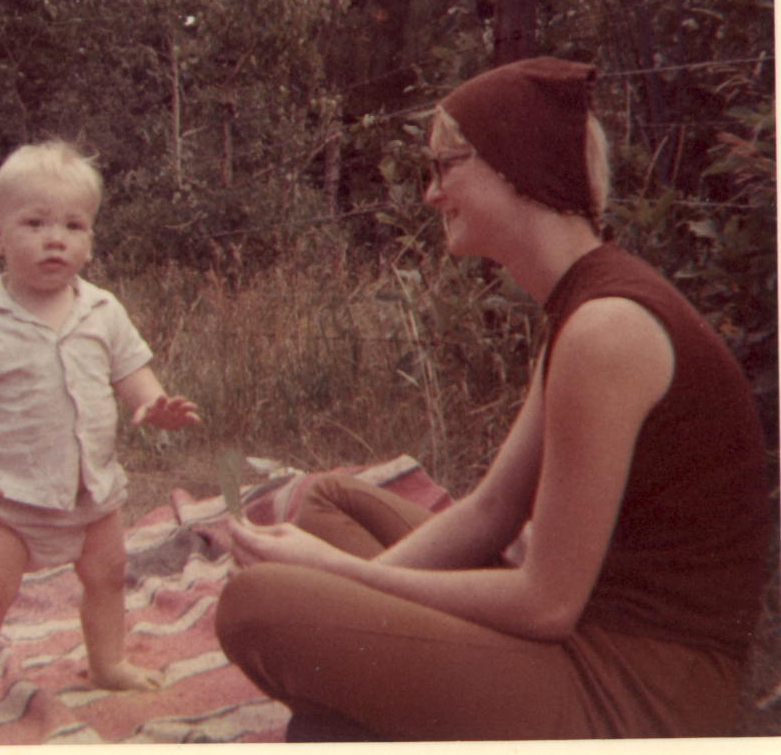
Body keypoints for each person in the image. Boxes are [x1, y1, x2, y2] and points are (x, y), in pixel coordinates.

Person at [215, 57, 771, 741]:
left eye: (444, 166)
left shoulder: (607, 329)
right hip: (582, 639)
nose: (430, 194)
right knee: (330, 501)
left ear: (515, 164)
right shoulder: (584, 303)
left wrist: (335, 577)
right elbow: (491, 511)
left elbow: (545, 604)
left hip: (637, 693)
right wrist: (345, 594)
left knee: (255, 606)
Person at [0, 139, 200, 732]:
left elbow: (132, 374)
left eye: (73, 226)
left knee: (107, 576)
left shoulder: (103, 311)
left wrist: (153, 405)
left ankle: (107, 662)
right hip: (10, 499)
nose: (56, 239)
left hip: (92, 491)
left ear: (90, 241)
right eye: (35, 224)